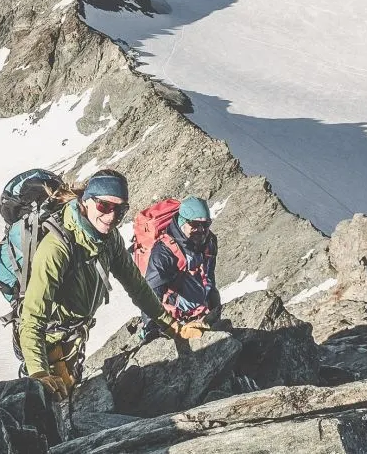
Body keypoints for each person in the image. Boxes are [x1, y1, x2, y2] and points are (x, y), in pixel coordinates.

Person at [18, 170, 206, 401]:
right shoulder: (57, 248)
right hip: (48, 341)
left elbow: (137, 286)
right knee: (55, 404)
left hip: (72, 339)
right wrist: (39, 374)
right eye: (104, 206)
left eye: (120, 209)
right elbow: (32, 319)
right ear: (86, 201)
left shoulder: (109, 240)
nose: (112, 216)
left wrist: (172, 327)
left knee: (71, 399)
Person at [140, 196, 220, 342]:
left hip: (202, 313)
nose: (201, 230)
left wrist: (214, 306)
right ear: (183, 221)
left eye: (206, 224)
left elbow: (209, 276)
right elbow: (151, 290)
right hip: (176, 319)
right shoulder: (165, 251)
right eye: (195, 224)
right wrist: (152, 325)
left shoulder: (210, 242)